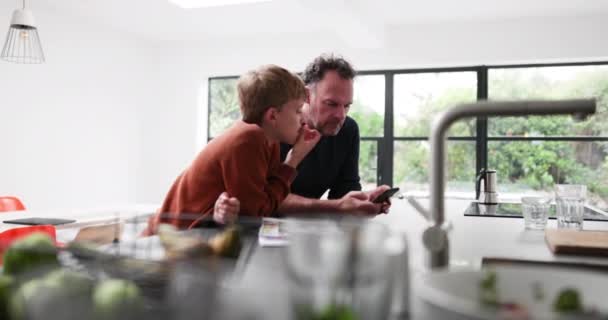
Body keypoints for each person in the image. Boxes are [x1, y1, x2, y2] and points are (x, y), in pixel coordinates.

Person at [143, 64, 320, 235]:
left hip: (193, 239)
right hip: (167, 239)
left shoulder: (268, 141)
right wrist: (293, 160)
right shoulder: (248, 139)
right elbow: (255, 215)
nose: (303, 120)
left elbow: (267, 204)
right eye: (298, 110)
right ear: (272, 116)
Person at [278, 54, 391, 215]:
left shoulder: (348, 130)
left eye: (347, 106)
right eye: (331, 104)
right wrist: (337, 206)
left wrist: (365, 201)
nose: (341, 115)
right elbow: (268, 199)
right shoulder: (277, 128)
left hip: (312, 230)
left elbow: (344, 190)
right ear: (306, 96)